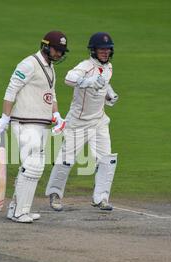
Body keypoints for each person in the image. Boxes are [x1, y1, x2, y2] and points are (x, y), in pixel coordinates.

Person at [0, 31, 68, 223]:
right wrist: (4, 118)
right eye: (56, 49)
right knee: (33, 165)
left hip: (41, 123)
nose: (59, 54)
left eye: (61, 51)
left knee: (33, 166)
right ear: (45, 46)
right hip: (24, 122)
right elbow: (12, 89)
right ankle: (19, 212)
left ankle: (17, 209)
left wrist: (56, 115)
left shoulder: (50, 68)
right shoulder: (28, 64)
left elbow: (52, 95)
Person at [45, 32, 119, 211]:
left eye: (107, 50)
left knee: (106, 159)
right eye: (101, 50)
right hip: (78, 122)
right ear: (93, 50)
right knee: (66, 159)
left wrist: (109, 94)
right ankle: (55, 195)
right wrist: (86, 81)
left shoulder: (109, 67)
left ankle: (101, 198)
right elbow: (69, 78)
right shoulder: (85, 66)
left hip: (99, 121)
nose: (105, 53)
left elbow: (104, 83)